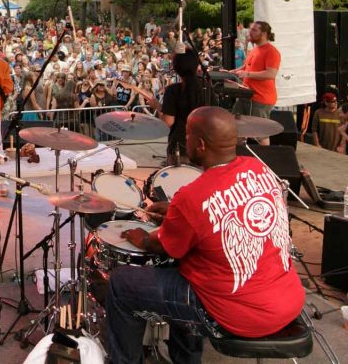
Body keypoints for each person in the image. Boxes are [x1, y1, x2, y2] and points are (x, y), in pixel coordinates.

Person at [105, 107, 304, 364]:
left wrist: (139, 237)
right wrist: (178, 213)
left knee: (122, 283)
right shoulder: (260, 168)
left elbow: (159, 245)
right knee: (188, 267)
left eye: (187, 135)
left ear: (199, 144)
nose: (184, 140)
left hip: (240, 313)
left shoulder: (193, 197)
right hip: (288, 299)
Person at [158, 49, 207, 163]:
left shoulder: (173, 90)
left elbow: (168, 122)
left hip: (180, 148)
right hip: (204, 148)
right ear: (197, 65)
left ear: (176, 68)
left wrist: (157, 107)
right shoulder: (207, 88)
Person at [232, 21, 280, 118]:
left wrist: (247, 74)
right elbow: (246, 67)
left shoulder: (271, 51)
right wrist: (231, 72)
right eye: (250, 29)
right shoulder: (255, 49)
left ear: (264, 34)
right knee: (235, 126)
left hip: (260, 100)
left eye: (254, 30)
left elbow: (271, 74)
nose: (250, 32)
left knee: (257, 132)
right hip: (246, 96)